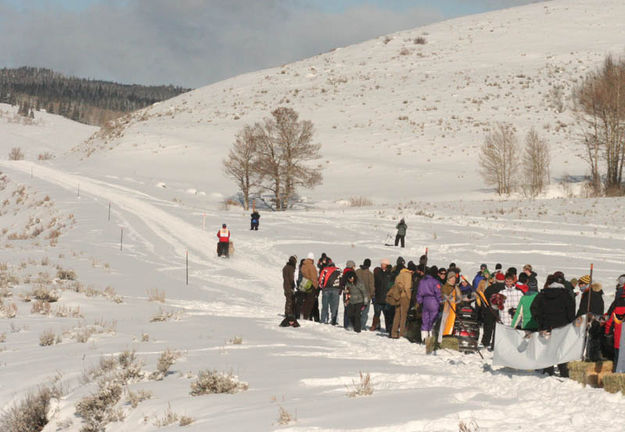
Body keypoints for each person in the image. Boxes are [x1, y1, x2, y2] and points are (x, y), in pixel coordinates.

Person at [531, 274, 576, 377]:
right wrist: (569, 323)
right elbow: (571, 311)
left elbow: (534, 309)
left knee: (548, 348)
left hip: (546, 326)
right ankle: (564, 372)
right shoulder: (567, 295)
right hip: (562, 327)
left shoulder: (542, 294)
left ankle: (548, 371)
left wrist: (540, 322)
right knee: (562, 349)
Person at [417, 266, 442, 341]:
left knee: (425, 320)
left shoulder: (422, 281)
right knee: (432, 320)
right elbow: (438, 293)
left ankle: (424, 337)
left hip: (425, 301)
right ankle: (431, 337)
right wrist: (440, 302)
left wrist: (420, 301)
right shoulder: (435, 282)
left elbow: (419, 293)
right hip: (433, 301)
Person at [390, 262, 414, 338]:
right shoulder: (408, 275)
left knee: (397, 314)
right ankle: (401, 333)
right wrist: (409, 297)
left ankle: (394, 332)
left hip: (398, 297)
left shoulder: (400, 274)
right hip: (404, 297)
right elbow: (407, 287)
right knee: (403, 315)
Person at [372, 259, 395, 332]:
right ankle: (375, 326)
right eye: (381, 264)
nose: (381, 265)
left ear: (386, 265)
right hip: (379, 295)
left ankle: (388, 328)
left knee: (387, 315)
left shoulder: (390, 274)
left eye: (383, 264)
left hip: (386, 297)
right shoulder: (379, 272)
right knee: (377, 313)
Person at [318, 258, 342, 325]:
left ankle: (324, 320)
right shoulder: (339, 270)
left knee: (325, 306)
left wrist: (322, 287)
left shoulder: (325, 270)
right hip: (336, 290)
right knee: (335, 306)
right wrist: (340, 289)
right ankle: (334, 320)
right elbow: (342, 280)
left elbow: (320, 280)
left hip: (326, 290)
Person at [355, 259, 375, 330]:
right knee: (364, 312)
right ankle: (362, 326)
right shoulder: (370, 274)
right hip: (366, 296)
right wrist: (372, 295)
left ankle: (355, 324)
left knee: (357, 311)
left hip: (357, 295)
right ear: (369, 265)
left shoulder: (357, 271)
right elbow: (371, 286)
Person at [280, 256, 299, 327]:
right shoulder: (291, 268)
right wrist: (293, 284)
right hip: (289, 286)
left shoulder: (285, 267)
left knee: (288, 299)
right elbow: (291, 278)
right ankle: (288, 313)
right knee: (290, 300)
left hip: (285, 285)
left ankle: (288, 312)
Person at [299, 252, 319, 320]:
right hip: (310, 285)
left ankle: (302, 314)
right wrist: (316, 286)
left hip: (304, 284)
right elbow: (314, 277)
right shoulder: (311, 266)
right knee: (310, 301)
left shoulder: (303, 265)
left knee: (305, 301)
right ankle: (306, 316)